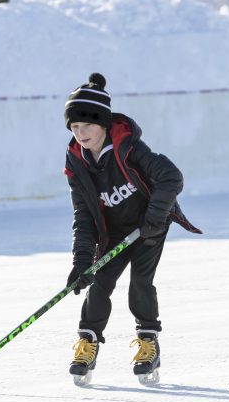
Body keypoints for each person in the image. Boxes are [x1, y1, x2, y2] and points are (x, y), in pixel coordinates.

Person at [63, 72, 201, 386]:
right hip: (112, 230)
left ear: (103, 123)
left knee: (140, 282)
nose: (80, 133)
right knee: (99, 283)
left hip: (149, 224)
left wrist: (154, 218)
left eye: (86, 125)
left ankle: (148, 344)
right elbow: (83, 217)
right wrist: (81, 262)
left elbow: (172, 177)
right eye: (74, 127)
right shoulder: (76, 163)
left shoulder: (129, 147)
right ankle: (88, 341)